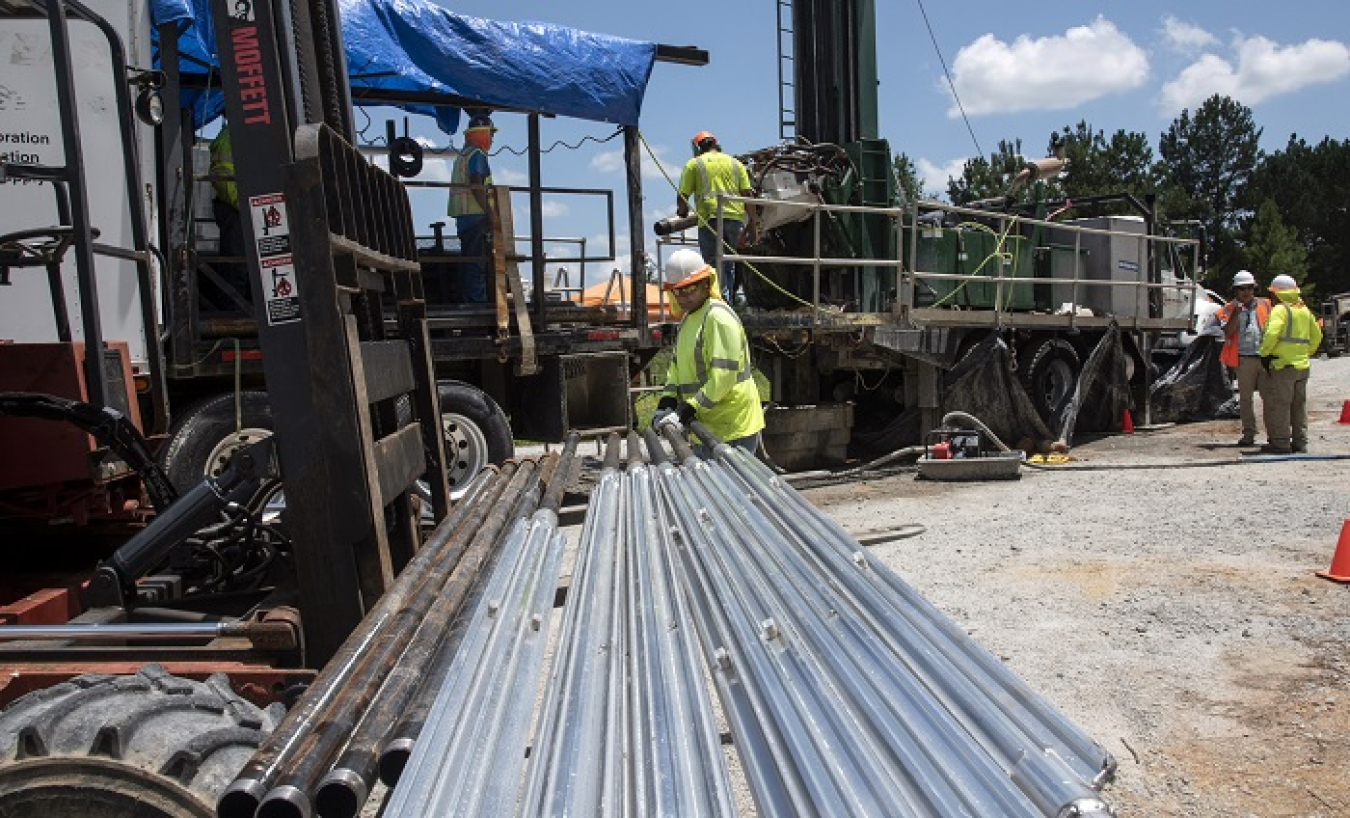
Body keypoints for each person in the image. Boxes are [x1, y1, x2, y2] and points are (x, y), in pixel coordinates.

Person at [652, 249, 764, 458]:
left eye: (689, 288)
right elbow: (676, 367)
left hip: (733, 426)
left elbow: (723, 377)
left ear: (706, 283)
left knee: (730, 489)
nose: (683, 297)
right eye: (678, 291)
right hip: (706, 425)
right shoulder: (688, 320)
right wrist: (667, 401)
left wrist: (687, 410)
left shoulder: (718, 318)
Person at [676, 130, 755, 305]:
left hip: (711, 219)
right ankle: (728, 302)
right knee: (728, 264)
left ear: (697, 148)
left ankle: (720, 302)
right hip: (735, 220)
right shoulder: (735, 163)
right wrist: (753, 225)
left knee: (713, 264)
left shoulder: (694, 164)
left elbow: (683, 196)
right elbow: (748, 194)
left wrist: (681, 212)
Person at [1257, 274, 1322, 454]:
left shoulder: (1280, 310)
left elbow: (1271, 334)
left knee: (1281, 404)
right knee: (1299, 405)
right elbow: (1317, 336)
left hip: (1282, 366)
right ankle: (1300, 442)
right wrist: (1306, 353)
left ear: (1276, 294)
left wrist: (1264, 353)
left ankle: (1281, 443)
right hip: (1302, 366)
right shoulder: (1304, 310)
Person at [1216, 269, 1271, 446]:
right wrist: (1236, 314)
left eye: (1249, 288)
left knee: (1269, 398)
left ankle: (1274, 436)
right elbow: (1228, 332)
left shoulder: (1266, 305)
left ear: (1254, 288)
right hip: (1244, 359)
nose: (1246, 292)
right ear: (1236, 290)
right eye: (1242, 288)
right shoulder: (1228, 309)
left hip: (1264, 358)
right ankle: (1249, 434)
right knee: (1246, 400)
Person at [447, 112, 496, 304]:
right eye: (490, 134)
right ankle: (477, 303)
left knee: (469, 261)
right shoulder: (476, 154)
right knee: (477, 263)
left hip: (464, 217)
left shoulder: (462, 155)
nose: (492, 139)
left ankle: (468, 300)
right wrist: (490, 214)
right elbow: (476, 183)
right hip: (476, 216)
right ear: (482, 133)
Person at [208, 124, 251, 304]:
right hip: (234, 210)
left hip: (241, 208)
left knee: (246, 263)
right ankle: (233, 307)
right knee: (237, 265)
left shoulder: (242, 136)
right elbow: (221, 175)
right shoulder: (229, 136)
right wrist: (243, 204)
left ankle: (242, 304)